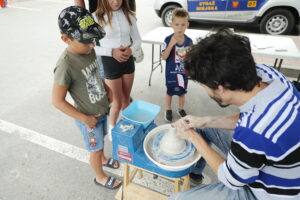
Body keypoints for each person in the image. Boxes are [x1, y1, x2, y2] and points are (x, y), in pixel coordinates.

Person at [170, 28, 300, 200]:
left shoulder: (254, 132)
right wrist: (204, 121)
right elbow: (251, 117)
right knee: (201, 128)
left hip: (273, 193)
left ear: (220, 87)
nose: (206, 91)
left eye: (204, 86)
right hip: (279, 157)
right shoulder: (268, 75)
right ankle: (195, 177)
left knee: (175, 198)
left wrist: (194, 138)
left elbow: (230, 179)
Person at [52, 6, 122, 190]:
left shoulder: (88, 50)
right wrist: (85, 119)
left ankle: (104, 159)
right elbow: (57, 101)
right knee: (95, 148)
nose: (92, 45)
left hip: (101, 110)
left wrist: (107, 88)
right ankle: (99, 177)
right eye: (86, 41)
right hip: (88, 119)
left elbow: (97, 73)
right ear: (65, 39)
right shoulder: (65, 66)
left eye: (93, 40)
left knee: (102, 139)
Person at [94, 0, 142, 137]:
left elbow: (137, 40)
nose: (116, 2)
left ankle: (126, 125)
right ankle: (112, 128)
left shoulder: (129, 15)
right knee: (116, 101)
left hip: (128, 61)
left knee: (126, 99)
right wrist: (112, 52)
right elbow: (92, 47)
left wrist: (131, 50)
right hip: (110, 62)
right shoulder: (95, 17)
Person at [161, 8, 192, 123]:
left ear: (187, 25)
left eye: (182, 24)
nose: (179, 27)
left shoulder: (189, 41)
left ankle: (181, 109)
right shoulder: (168, 39)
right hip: (171, 73)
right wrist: (171, 45)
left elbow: (191, 59)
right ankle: (168, 109)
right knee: (169, 92)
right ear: (171, 25)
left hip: (183, 73)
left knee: (182, 93)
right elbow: (163, 57)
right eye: (177, 24)